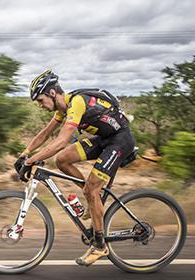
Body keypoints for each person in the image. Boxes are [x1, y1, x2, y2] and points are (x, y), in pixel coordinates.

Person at [15, 69, 135, 266]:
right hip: (105, 139)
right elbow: (45, 134)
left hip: (120, 141)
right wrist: (25, 153)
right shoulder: (62, 109)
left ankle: (99, 246)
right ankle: (92, 200)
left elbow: (61, 140)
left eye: (40, 100)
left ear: (52, 93)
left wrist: (30, 162)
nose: (40, 106)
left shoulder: (76, 103)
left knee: (92, 189)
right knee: (62, 159)